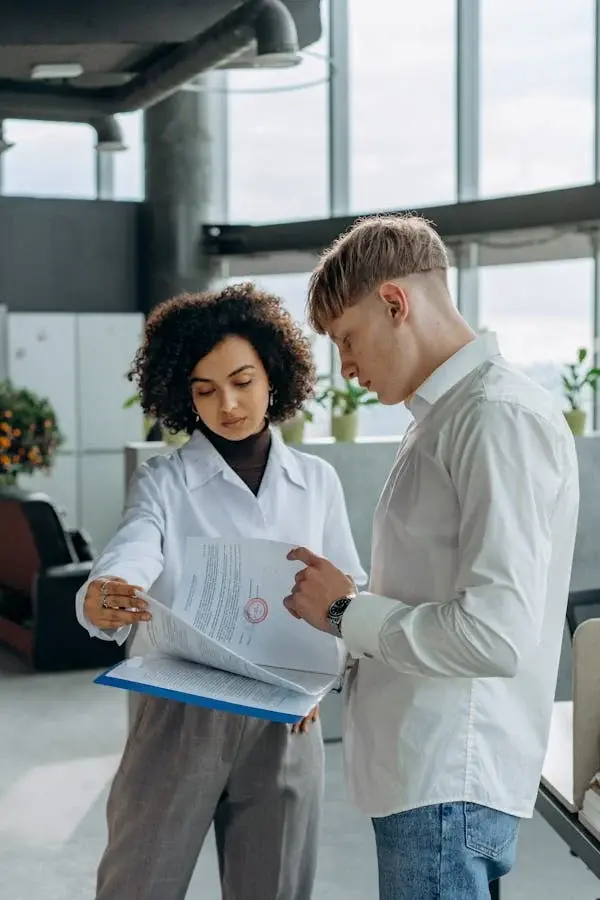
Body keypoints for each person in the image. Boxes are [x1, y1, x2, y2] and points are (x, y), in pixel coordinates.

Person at [284, 215, 580, 900]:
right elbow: (429, 593)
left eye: (347, 340)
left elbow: (494, 635)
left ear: (395, 303)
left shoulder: (494, 418)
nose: (346, 368)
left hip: (446, 779)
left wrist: (341, 610)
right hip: (425, 776)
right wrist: (337, 615)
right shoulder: (444, 418)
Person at [75, 283, 366, 900]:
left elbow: (349, 591)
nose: (227, 404)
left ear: (274, 375)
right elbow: (135, 543)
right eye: (204, 390)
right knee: (138, 883)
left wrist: (325, 673)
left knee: (277, 887)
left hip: (285, 716)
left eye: (242, 381)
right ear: (182, 395)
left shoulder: (317, 482)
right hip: (180, 712)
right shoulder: (164, 480)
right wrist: (108, 590)